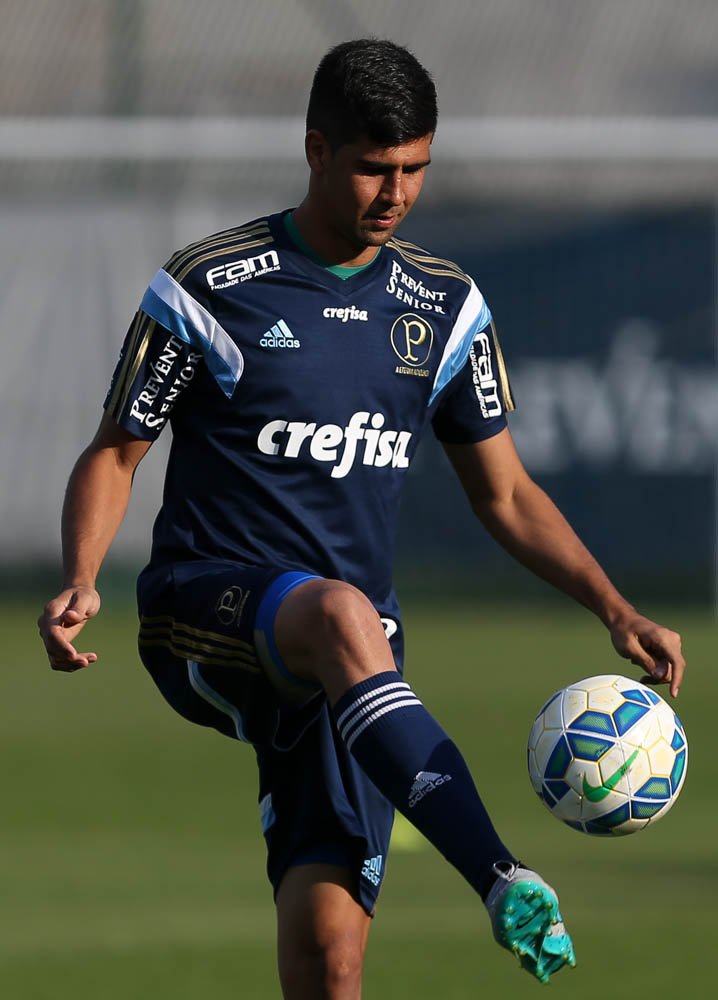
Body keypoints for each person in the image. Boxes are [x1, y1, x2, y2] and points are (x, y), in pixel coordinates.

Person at [38, 39, 685, 998]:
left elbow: (504, 495)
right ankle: (501, 875)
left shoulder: (446, 305)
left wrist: (614, 607)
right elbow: (115, 451)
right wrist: (84, 573)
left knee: (330, 963)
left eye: (416, 169)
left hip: (353, 673)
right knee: (342, 612)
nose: (396, 192)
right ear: (316, 150)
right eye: (375, 168)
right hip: (204, 611)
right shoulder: (211, 284)